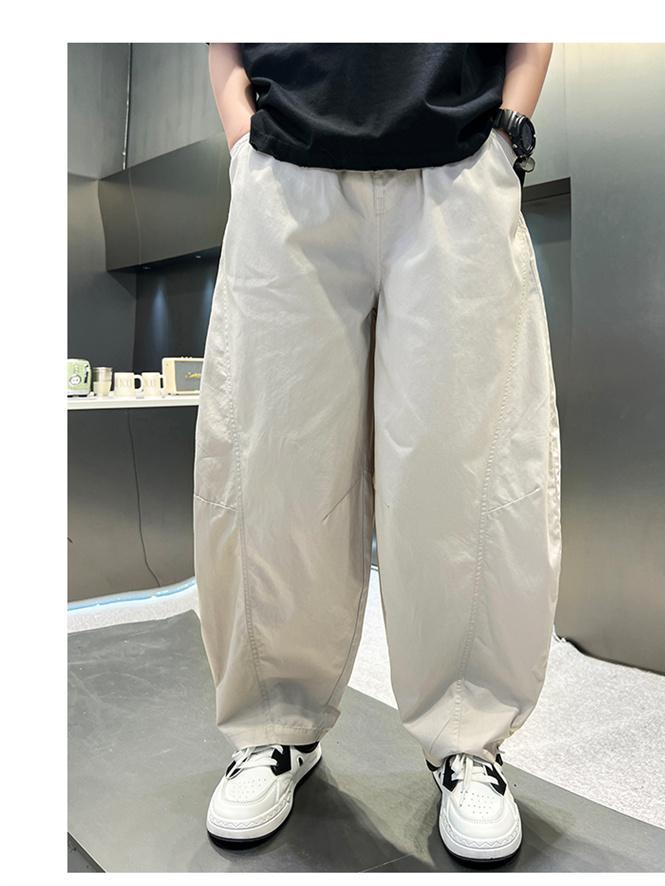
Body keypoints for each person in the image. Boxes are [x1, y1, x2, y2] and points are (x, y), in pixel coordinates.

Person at [194, 42, 560, 864]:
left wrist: (509, 130)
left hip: (457, 167)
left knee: (466, 472)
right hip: (286, 169)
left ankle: (468, 739)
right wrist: (243, 140)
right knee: (272, 467)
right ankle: (275, 725)